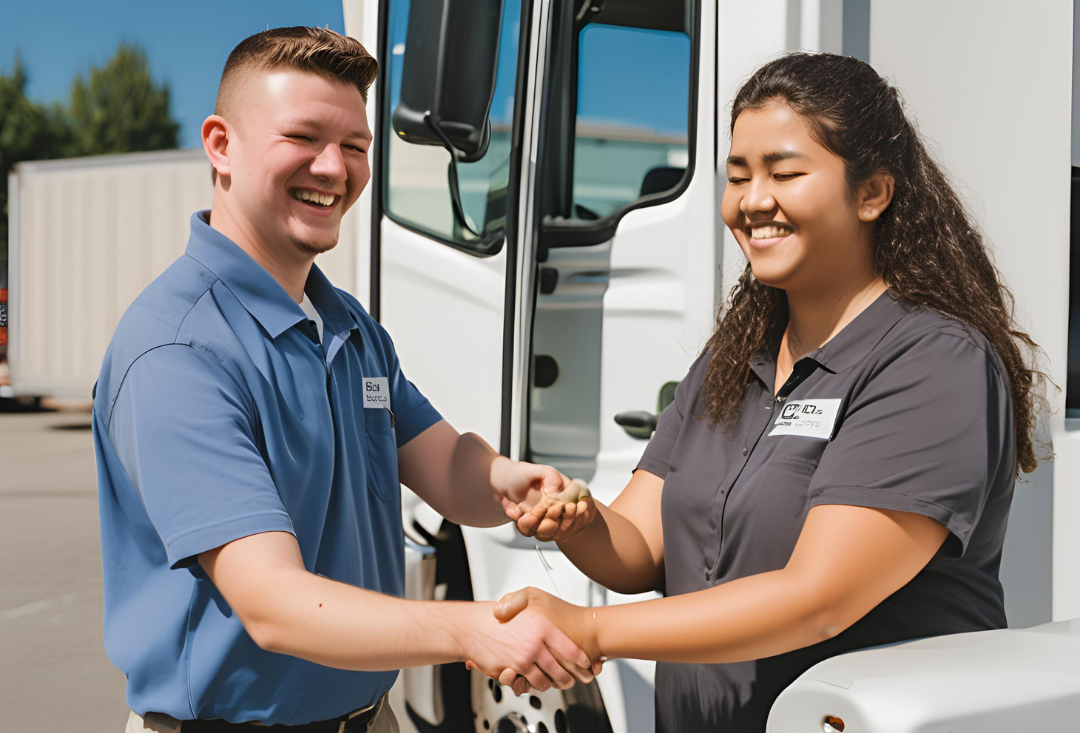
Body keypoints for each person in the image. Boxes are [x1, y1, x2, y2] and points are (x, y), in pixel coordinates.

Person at [496, 52, 1048, 731]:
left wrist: (591, 630)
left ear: (872, 193)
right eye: (738, 176)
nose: (754, 200)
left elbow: (817, 597)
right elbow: (640, 543)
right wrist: (578, 519)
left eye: (785, 173)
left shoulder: (933, 362)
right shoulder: (733, 360)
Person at [93, 27, 596, 733]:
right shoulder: (179, 349)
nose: (333, 168)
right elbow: (273, 603)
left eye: (355, 146)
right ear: (220, 145)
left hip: (367, 715)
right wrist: (469, 627)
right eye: (303, 138)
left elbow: (446, 466)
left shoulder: (347, 325)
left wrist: (510, 482)